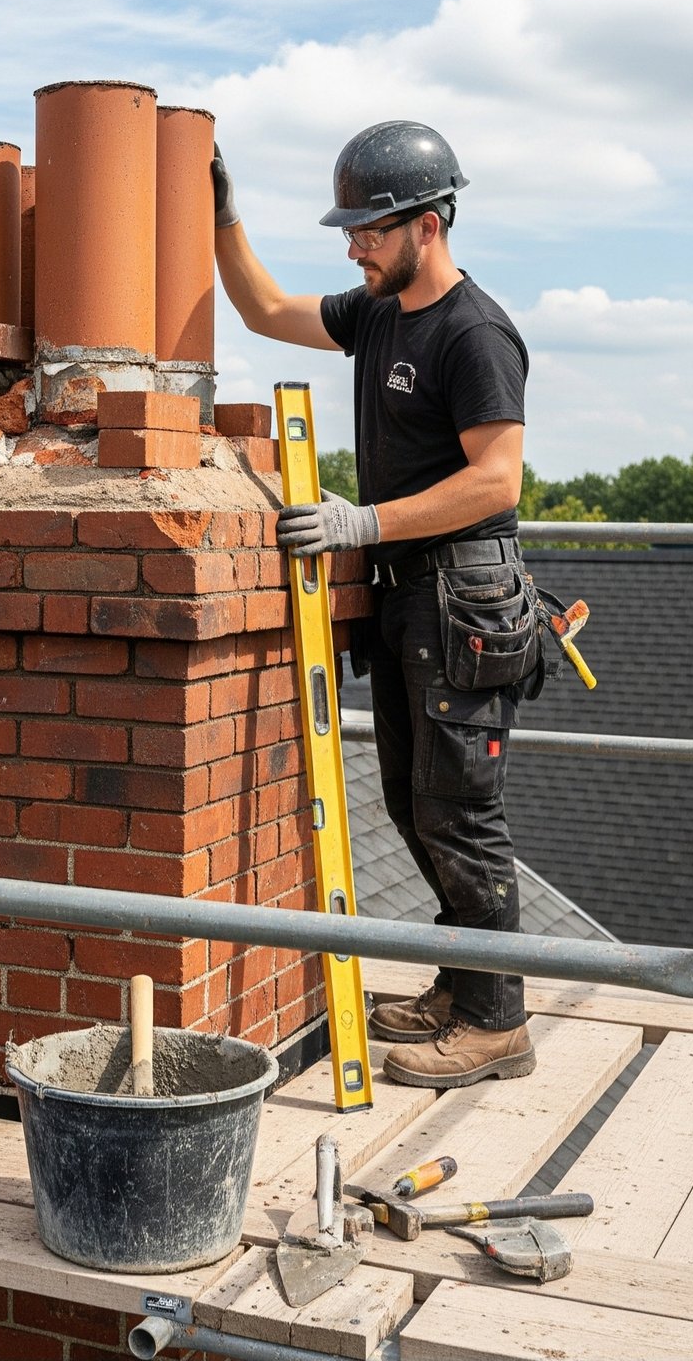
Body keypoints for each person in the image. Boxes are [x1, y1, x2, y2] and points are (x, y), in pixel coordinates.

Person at [212, 121, 538, 1089]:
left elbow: (497, 481)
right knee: (412, 800)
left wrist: (365, 524)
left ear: (427, 224)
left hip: (461, 597)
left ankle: (497, 1021)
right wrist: (220, 215)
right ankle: (462, 980)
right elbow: (264, 307)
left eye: (369, 228)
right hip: (410, 596)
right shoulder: (377, 314)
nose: (352, 245)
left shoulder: (472, 333)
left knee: (459, 809)